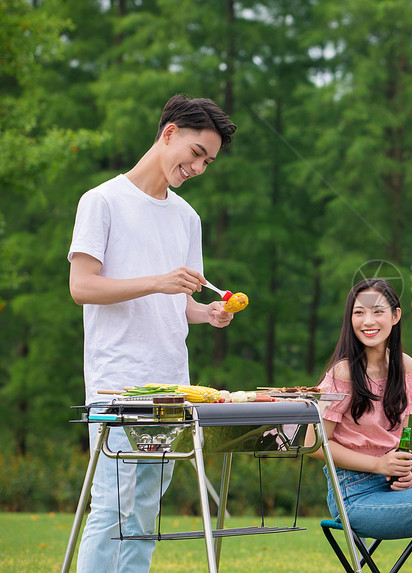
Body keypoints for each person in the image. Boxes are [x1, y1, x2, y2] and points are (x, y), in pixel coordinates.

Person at [68, 94, 237, 572]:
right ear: (168, 134)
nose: (200, 167)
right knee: (113, 507)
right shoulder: (101, 201)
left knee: (144, 513)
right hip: (118, 383)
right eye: (197, 153)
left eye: (208, 161)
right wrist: (158, 282)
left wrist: (209, 314)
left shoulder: (187, 217)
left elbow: (181, 306)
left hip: (172, 385)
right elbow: (82, 287)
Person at [305, 279, 412, 561]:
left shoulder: (405, 367)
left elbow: (400, 442)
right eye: (358, 312)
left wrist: (401, 470)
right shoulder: (344, 373)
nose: (368, 321)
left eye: (377, 311)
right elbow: (314, 444)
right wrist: (378, 464)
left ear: (395, 316)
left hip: (389, 487)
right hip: (353, 497)